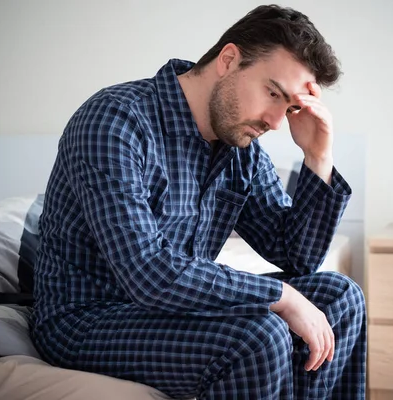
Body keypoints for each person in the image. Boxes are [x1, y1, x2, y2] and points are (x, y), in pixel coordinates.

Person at [31, 4, 366, 399]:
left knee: (341, 298)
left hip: (177, 311)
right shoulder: (114, 120)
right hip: (88, 318)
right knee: (258, 336)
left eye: (289, 106)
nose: (276, 121)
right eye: (272, 93)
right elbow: (149, 272)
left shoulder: (242, 145)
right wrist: (282, 297)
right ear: (228, 59)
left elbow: (297, 256)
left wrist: (317, 158)